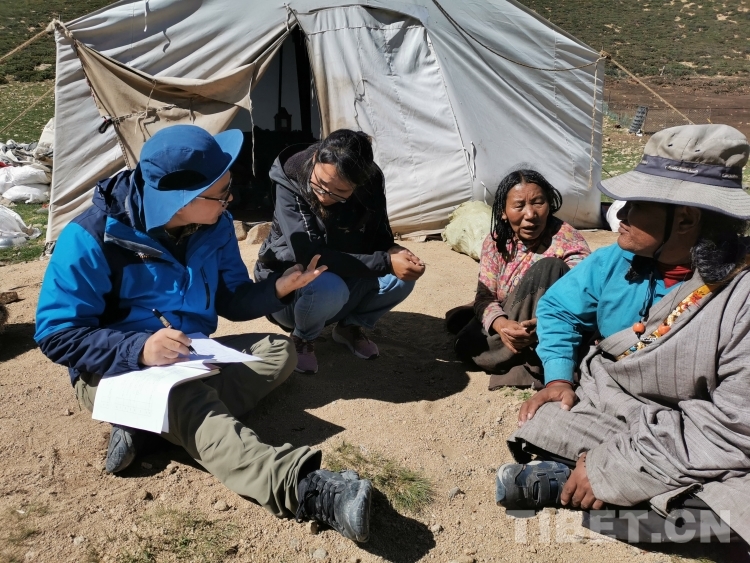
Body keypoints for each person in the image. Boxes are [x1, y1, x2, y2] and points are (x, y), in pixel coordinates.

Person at [34, 125, 373, 543]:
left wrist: (277, 289)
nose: (231, 199)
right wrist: (140, 348)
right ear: (181, 200)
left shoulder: (215, 225)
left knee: (278, 352)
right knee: (188, 398)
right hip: (112, 369)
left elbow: (231, 300)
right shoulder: (90, 236)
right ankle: (302, 489)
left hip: (189, 356)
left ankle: (149, 428)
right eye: (221, 193)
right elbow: (57, 334)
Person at [496, 124, 750, 546]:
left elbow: (735, 426)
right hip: (620, 408)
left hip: (704, 433)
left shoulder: (740, 297)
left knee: (729, 513)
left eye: (637, 204)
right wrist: (558, 377)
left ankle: (588, 488)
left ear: (686, 219)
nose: (621, 214)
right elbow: (559, 309)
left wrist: (616, 466)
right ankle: (609, 489)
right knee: (549, 420)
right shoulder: (615, 259)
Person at [255, 129, 425, 374]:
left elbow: (380, 236)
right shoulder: (291, 179)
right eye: (321, 183)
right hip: (289, 293)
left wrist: (396, 251)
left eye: (340, 192)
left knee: (402, 278)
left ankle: (349, 327)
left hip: (341, 278)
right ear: (315, 158)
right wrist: (386, 262)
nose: (324, 196)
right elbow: (309, 255)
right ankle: (302, 338)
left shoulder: (370, 180)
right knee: (328, 285)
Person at [448, 169, 590, 389]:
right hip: (509, 320)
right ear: (503, 212)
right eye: (519, 206)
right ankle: (523, 355)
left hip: (553, 326)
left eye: (538, 203)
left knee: (550, 267)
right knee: (467, 343)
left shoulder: (567, 239)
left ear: (550, 205)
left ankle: (540, 358)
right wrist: (502, 326)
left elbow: (585, 295)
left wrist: (544, 325)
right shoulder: (496, 242)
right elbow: (485, 297)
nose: (530, 214)